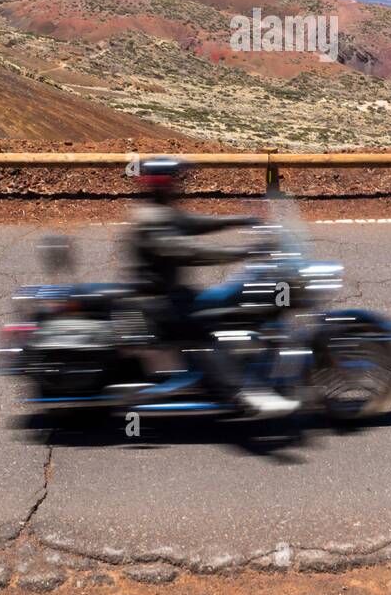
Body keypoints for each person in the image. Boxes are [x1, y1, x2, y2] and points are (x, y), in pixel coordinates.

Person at [121, 156, 297, 418]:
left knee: (220, 307)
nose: (180, 185)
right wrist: (242, 253)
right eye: (176, 180)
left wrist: (239, 220)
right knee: (202, 332)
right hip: (156, 304)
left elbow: (192, 223)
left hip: (164, 295)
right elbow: (186, 251)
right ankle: (244, 393)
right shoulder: (151, 219)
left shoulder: (161, 210)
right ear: (163, 183)